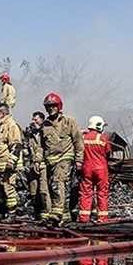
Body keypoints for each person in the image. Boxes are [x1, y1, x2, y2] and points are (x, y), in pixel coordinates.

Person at [39, 92, 84, 224]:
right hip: (50, 160)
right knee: (60, 187)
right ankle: (65, 216)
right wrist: (38, 160)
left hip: (65, 157)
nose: (50, 108)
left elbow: (78, 142)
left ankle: (57, 212)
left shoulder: (69, 121)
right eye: (48, 106)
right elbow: (41, 146)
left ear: (59, 106)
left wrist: (79, 160)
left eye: (53, 106)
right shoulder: (45, 125)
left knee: (58, 183)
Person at [0, 102, 23, 221]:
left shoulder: (11, 125)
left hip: (7, 165)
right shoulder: (0, 126)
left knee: (9, 189)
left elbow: (16, 145)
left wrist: (11, 162)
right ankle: (0, 212)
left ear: (2, 113)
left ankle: (12, 214)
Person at [77, 115, 112, 222]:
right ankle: (102, 218)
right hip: (101, 169)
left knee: (86, 192)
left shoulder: (83, 138)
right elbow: (108, 153)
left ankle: (84, 218)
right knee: (102, 193)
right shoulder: (103, 138)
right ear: (99, 125)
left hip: (86, 168)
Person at [25, 111, 51, 220]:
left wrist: (38, 160)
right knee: (33, 190)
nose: (33, 122)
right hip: (32, 166)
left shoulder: (46, 132)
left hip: (43, 165)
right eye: (33, 119)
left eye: (36, 119)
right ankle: (37, 214)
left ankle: (47, 214)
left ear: (41, 120)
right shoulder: (30, 134)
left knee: (43, 190)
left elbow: (44, 148)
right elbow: (28, 148)